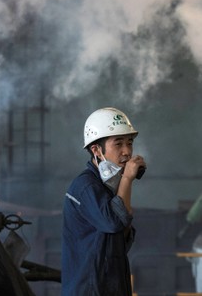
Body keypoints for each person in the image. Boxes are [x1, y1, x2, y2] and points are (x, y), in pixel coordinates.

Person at [61, 107, 146, 295]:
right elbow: (114, 223)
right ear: (96, 150)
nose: (127, 152)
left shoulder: (107, 187)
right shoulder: (86, 187)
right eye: (118, 144)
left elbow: (121, 241)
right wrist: (127, 179)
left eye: (129, 143)